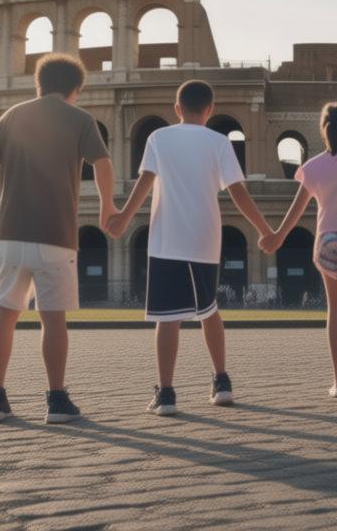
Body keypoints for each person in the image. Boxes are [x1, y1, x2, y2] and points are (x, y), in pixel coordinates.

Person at [106, 80, 272, 417]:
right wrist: (267, 230)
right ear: (210, 110)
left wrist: (123, 218)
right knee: (209, 310)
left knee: (167, 319)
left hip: (166, 241)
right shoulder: (219, 142)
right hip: (205, 240)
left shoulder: (158, 138)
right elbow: (239, 193)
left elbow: (145, 183)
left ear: (176, 108)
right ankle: (221, 382)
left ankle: (166, 393)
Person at [0, 53, 115, 424]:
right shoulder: (81, 120)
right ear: (75, 89)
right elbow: (103, 163)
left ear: (39, 84)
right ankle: (55, 400)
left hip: (10, 233)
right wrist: (107, 206)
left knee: (4, 314)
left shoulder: (13, 115)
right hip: (57, 234)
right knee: (54, 320)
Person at [263, 102, 337, 399]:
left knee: (335, 311)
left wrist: (278, 236)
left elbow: (298, 208)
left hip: (328, 237)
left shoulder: (313, 166)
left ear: (324, 131)